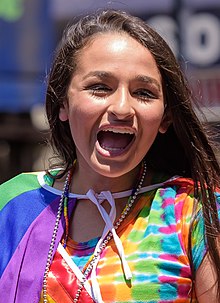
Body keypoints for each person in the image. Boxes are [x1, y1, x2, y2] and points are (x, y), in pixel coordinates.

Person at [0, 9, 219, 303]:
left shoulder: (196, 212)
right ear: (63, 103)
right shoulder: (12, 205)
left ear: (165, 118)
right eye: (100, 87)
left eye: (144, 93)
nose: (121, 108)